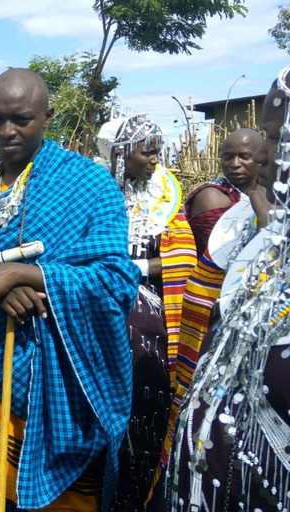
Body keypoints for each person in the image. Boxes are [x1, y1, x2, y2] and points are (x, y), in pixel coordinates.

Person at [0, 68, 138, 511]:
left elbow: (117, 282)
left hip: (61, 389)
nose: (6, 132)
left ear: (47, 116)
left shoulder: (87, 183)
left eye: (22, 119)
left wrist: (23, 275)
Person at [163, 66, 290, 512]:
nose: (268, 156)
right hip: (220, 452)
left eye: (277, 140)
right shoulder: (234, 220)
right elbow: (204, 310)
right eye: (272, 138)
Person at [97, 114, 197, 511]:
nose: (156, 156)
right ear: (118, 152)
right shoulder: (91, 195)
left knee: (147, 413)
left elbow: (183, 258)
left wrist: (127, 269)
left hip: (153, 330)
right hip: (100, 322)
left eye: (158, 147)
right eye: (146, 148)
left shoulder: (166, 199)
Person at [185, 128, 262, 256]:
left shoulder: (270, 192)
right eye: (227, 157)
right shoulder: (211, 197)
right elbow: (222, 255)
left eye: (245, 157)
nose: (235, 164)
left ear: (261, 159)